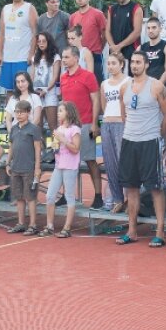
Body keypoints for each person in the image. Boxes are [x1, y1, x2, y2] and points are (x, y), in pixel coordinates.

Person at [117, 51, 166, 247]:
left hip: (150, 141)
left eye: (139, 62)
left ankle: (160, 231)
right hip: (129, 141)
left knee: (155, 187)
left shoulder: (156, 86)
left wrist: (158, 133)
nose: (135, 65)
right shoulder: (124, 88)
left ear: (147, 64)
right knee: (130, 187)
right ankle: (131, 230)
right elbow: (124, 115)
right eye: (132, 62)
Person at [58, 46, 102, 209]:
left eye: (67, 57)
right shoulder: (63, 78)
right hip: (68, 126)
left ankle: (98, 196)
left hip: (85, 124)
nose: (64, 60)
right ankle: (66, 194)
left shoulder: (88, 76)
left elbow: (96, 100)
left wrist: (94, 123)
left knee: (90, 161)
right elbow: (64, 102)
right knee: (66, 161)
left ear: (76, 58)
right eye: (63, 57)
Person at [41, 102, 81, 238]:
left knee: (69, 196)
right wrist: (55, 144)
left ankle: (67, 227)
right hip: (59, 165)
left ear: (68, 113)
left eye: (60, 111)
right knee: (50, 195)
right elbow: (57, 148)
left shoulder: (75, 129)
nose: (58, 113)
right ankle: (50, 225)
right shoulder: (58, 129)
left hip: (70, 166)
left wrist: (62, 140)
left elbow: (76, 149)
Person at [5, 100, 43, 235]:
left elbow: (37, 149)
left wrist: (37, 168)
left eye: (21, 112)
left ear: (28, 113)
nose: (18, 114)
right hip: (16, 167)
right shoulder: (14, 129)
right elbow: (11, 147)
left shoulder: (34, 129)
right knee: (19, 197)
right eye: (16, 112)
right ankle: (21, 223)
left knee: (30, 197)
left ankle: (33, 224)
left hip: (29, 168)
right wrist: (8, 162)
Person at [99, 53, 128, 212]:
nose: (110, 66)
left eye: (114, 63)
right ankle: (117, 198)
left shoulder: (127, 81)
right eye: (108, 63)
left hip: (122, 124)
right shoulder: (104, 84)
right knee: (110, 163)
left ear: (121, 64)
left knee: (124, 161)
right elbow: (104, 105)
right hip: (108, 124)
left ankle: (130, 197)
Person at [0, 0, 37, 93]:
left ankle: (25, 110)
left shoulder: (29, 8)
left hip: (23, 57)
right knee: (9, 90)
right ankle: (10, 111)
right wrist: (0, 53)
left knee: (23, 90)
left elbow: (35, 32)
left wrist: (31, 54)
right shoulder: (5, 8)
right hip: (7, 57)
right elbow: (2, 33)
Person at [69, 0, 107, 79]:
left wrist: (99, 47)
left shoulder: (98, 14)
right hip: (78, 56)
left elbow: (105, 34)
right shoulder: (73, 17)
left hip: (95, 54)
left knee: (96, 85)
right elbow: (72, 37)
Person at [105, 0, 143, 69]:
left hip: (131, 52)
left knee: (131, 80)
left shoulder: (136, 8)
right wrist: (113, 46)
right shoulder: (112, 9)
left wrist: (120, 46)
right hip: (115, 53)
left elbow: (137, 32)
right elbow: (107, 30)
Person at [29, 31, 61, 136]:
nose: (41, 43)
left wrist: (46, 90)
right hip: (36, 93)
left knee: (53, 126)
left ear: (49, 42)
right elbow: (32, 75)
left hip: (50, 93)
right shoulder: (35, 57)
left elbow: (55, 76)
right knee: (38, 126)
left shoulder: (55, 57)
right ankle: (40, 151)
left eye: (44, 41)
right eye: (39, 41)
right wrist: (32, 91)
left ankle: (56, 150)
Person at [140, 17, 166, 86]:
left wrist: (157, 87)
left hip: (161, 87)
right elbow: (137, 70)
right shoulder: (141, 48)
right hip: (144, 87)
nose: (150, 30)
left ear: (160, 29)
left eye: (154, 27)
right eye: (148, 28)